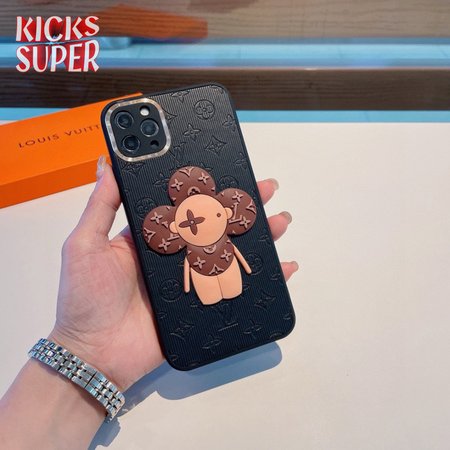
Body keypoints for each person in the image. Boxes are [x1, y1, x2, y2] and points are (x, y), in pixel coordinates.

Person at [0, 156, 298, 449]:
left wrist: (82, 351)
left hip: (219, 262)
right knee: (213, 290)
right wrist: (82, 349)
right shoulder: (183, 237)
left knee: (234, 284)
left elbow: (236, 259)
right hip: (201, 269)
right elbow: (190, 268)